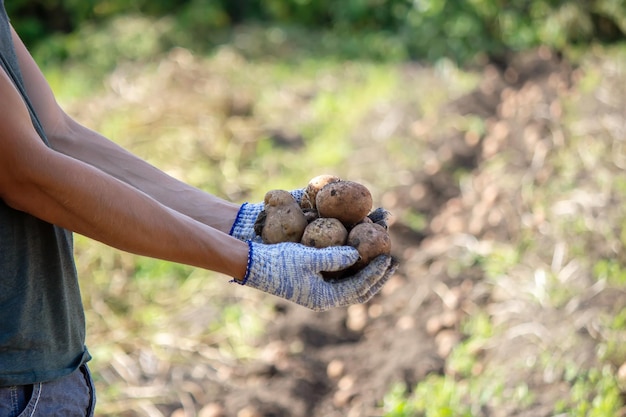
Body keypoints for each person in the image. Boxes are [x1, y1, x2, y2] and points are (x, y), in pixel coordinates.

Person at [0, 2, 398, 416]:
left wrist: (242, 224)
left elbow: (56, 134)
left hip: (46, 373)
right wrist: (251, 262)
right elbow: (24, 172)